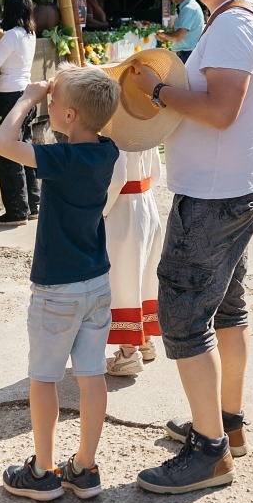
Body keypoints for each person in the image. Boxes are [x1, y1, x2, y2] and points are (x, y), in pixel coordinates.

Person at [131, 0, 253, 494]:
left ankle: (210, 449)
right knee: (225, 310)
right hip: (230, 189)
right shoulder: (238, 20)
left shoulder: (234, 24)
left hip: (214, 198)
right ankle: (225, 423)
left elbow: (220, 110)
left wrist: (156, 90)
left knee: (185, 319)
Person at [0, 67, 121, 502]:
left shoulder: (62, 159)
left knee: (44, 379)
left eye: (53, 102)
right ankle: (84, 467)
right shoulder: (107, 151)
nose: (47, 102)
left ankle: (43, 472)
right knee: (91, 376)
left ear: (68, 115)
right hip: (97, 282)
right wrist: (59, 95)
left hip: (58, 289)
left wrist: (27, 98)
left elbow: (2, 144)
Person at [0, 0, 41, 223]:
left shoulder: (12, 36)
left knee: (8, 152)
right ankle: (33, 205)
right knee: (24, 149)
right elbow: (10, 40)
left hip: (9, 97)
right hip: (26, 94)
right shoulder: (28, 34)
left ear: (9, 10)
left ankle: (16, 211)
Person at [102, 144, 164, 378]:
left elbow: (116, 178)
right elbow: (156, 173)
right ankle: (144, 339)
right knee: (144, 274)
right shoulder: (144, 130)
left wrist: (100, 209)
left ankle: (128, 353)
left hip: (122, 209)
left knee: (123, 277)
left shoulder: (115, 131)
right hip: (146, 202)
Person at [157, 0, 204, 64]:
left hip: (188, 54)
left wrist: (163, 34)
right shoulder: (189, 7)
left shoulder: (189, 9)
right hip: (188, 54)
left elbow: (178, 37)